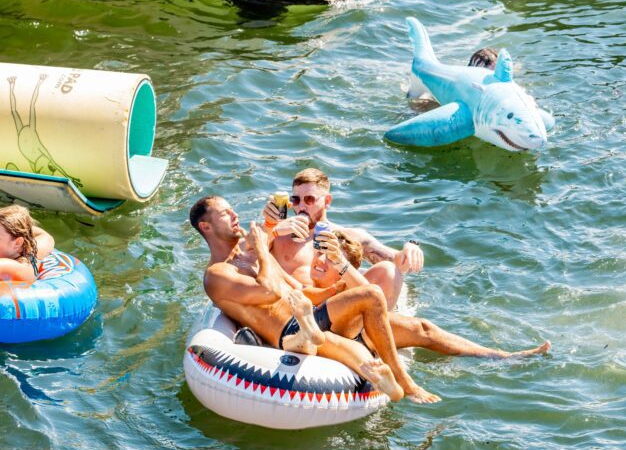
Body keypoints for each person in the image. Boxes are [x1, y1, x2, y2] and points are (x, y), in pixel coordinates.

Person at [189, 194, 431, 403]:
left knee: (371, 303)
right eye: (225, 213)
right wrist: (263, 247)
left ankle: (399, 385)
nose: (234, 214)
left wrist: (334, 291)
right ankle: (310, 334)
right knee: (363, 308)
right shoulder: (217, 273)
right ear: (206, 227)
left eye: (232, 209)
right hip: (284, 330)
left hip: (308, 314)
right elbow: (270, 291)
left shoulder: (245, 257)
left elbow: (296, 289)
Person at [310, 227, 551, 359]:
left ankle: (502, 355)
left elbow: (374, 289)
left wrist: (410, 245)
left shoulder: (349, 283)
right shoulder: (302, 280)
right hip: (323, 325)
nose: (321, 260)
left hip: (360, 332)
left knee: (423, 329)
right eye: (319, 254)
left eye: (328, 257)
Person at [261, 168, 423, 310]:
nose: (301, 206)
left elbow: (399, 263)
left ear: (327, 201)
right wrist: (269, 227)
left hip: (333, 310)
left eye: (309, 199)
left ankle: (374, 331)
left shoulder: (346, 236)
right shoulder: (279, 232)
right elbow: (246, 254)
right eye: (295, 200)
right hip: (288, 304)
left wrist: (411, 246)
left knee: (389, 271)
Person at [0, 204, 54, 283]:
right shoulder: (36, 249)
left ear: (18, 243)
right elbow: (46, 236)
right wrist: (23, 227)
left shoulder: (10, 266)